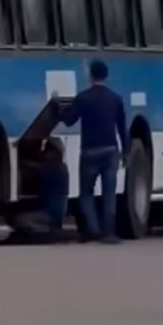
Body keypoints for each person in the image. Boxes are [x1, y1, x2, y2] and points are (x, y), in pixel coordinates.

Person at [58, 60, 127, 244]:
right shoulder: (116, 99)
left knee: (86, 193)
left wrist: (58, 108)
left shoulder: (83, 98)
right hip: (111, 150)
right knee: (109, 193)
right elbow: (122, 128)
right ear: (107, 76)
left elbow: (69, 120)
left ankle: (93, 230)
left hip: (89, 151)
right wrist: (125, 152)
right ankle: (109, 233)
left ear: (90, 76)